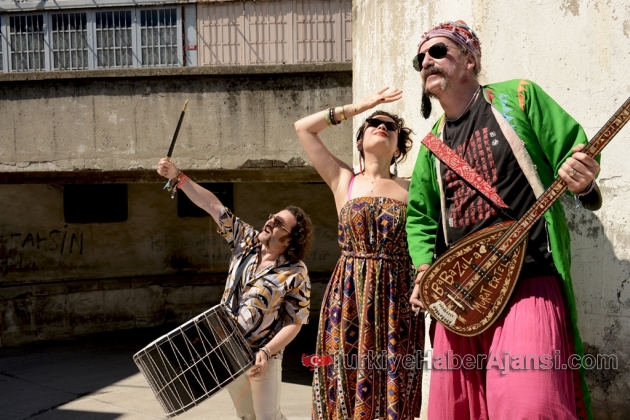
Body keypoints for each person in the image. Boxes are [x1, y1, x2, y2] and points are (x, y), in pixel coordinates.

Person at [406, 20, 601, 420]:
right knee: (456, 412)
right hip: (459, 296)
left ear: (470, 60)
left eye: (438, 51)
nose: (426, 61)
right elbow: (421, 216)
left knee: (529, 405)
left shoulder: (519, 98)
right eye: (419, 58)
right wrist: (425, 269)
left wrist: (582, 181)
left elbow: (572, 152)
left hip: (528, 279)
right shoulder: (432, 144)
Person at [294, 91, 423, 419]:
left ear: (398, 148)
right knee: (345, 376)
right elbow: (303, 128)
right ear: (359, 140)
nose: (382, 126)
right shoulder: (344, 180)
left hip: (397, 296)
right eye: (373, 123)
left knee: (394, 377)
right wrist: (360, 108)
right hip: (350, 294)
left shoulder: (411, 187)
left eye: (390, 127)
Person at [157, 158, 314, 420]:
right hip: (228, 350)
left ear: (290, 240)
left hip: (263, 356)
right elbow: (213, 206)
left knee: (268, 417)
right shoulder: (246, 241)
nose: (270, 221)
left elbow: (294, 322)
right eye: (272, 217)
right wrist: (178, 177)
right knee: (246, 416)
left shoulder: (295, 272)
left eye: (278, 223)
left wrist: (266, 351)